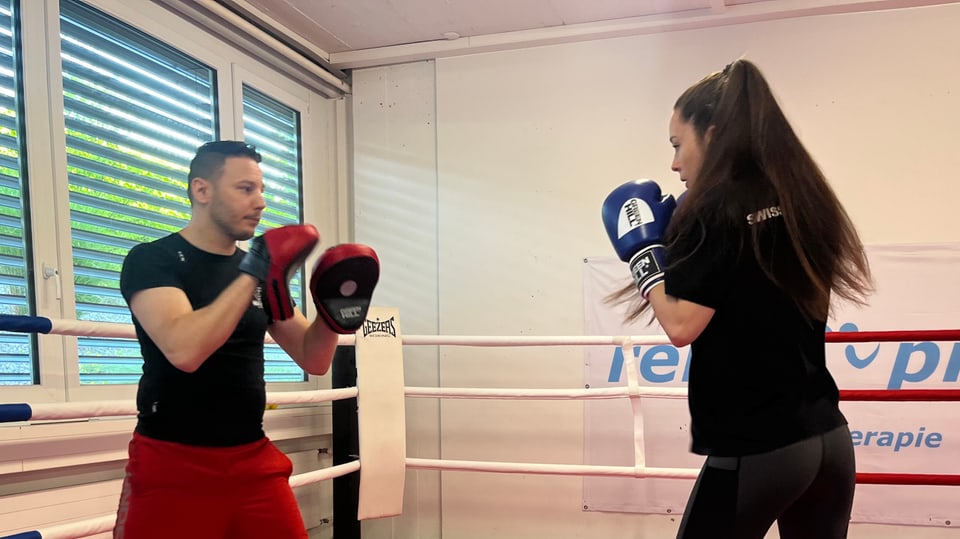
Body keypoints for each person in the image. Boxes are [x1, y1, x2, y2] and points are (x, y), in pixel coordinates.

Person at [602, 59, 873, 539]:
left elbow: (681, 326)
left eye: (677, 145)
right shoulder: (799, 196)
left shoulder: (716, 209)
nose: (674, 163)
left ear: (712, 133)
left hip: (760, 447)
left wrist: (644, 254)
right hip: (829, 440)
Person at [113, 140, 379, 539]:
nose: (260, 203)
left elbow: (313, 357)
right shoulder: (153, 260)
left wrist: (334, 315)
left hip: (252, 460)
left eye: (262, 190)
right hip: (173, 464)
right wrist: (256, 271)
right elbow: (184, 349)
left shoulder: (257, 271)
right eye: (245, 189)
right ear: (202, 191)